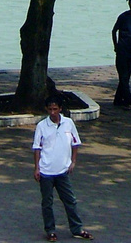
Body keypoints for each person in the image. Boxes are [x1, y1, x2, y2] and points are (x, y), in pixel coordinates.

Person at [31, 93, 93, 241]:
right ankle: (50, 230)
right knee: (47, 203)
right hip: (46, 171)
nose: (53, 112)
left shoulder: (68, 123)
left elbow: (75, 143)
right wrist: (37, 168)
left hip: (62, 171)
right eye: (50, 109)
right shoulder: (41, 126)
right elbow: (37, 148)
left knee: (70, 200)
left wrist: (73, 161)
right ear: (46, 109)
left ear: (60, 109)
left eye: (55, 109)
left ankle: (77, 228)